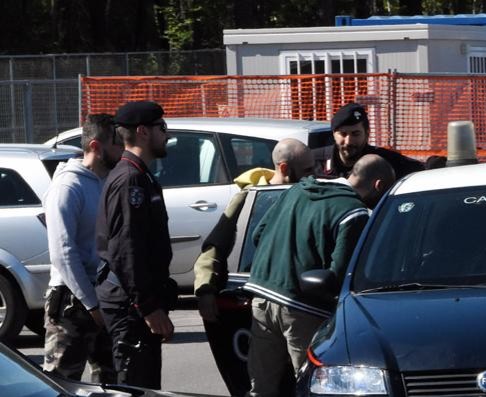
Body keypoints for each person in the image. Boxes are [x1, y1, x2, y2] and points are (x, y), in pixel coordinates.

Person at [243, 154, 395, 397]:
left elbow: (258, 235)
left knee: (262, 387)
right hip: (303, 307)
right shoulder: (354, 212)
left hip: (261, 296)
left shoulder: (297, 190)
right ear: (379, 186)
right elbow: (341, 274)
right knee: (311, 386)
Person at [95, 100, 176, 389]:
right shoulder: (130, 179)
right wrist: (148, 307)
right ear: (143, 131)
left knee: (144, 384)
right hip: (130, 306)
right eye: (161, 128)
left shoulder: (140, 175)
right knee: (134, 386)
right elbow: (126, 249)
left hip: (136, 302)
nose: (166, 134)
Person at [194, 138, 314, 323]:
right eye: (307, 170)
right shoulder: (251, 199)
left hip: (302, 299)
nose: (314, 176)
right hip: (258, 297)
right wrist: (205, 290)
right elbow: (215, 246)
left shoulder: (311, 195)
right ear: (284, 169)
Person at [41, 114, 121, 384]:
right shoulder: (67, 186)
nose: (122, 148)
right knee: (62, 385)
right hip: (71, 304)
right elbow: (63, 253)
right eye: (116, 143)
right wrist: (92, 305)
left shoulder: (108, 181)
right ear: (96, 147)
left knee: (111, 383)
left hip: (103, 297)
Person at [312, 102, 424, 179]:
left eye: (355, 134)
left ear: (367, 133)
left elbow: (421, 169)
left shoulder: (384, 161)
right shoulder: (314, 162)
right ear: (334, 134)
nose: (348, 141)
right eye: (343, 134)